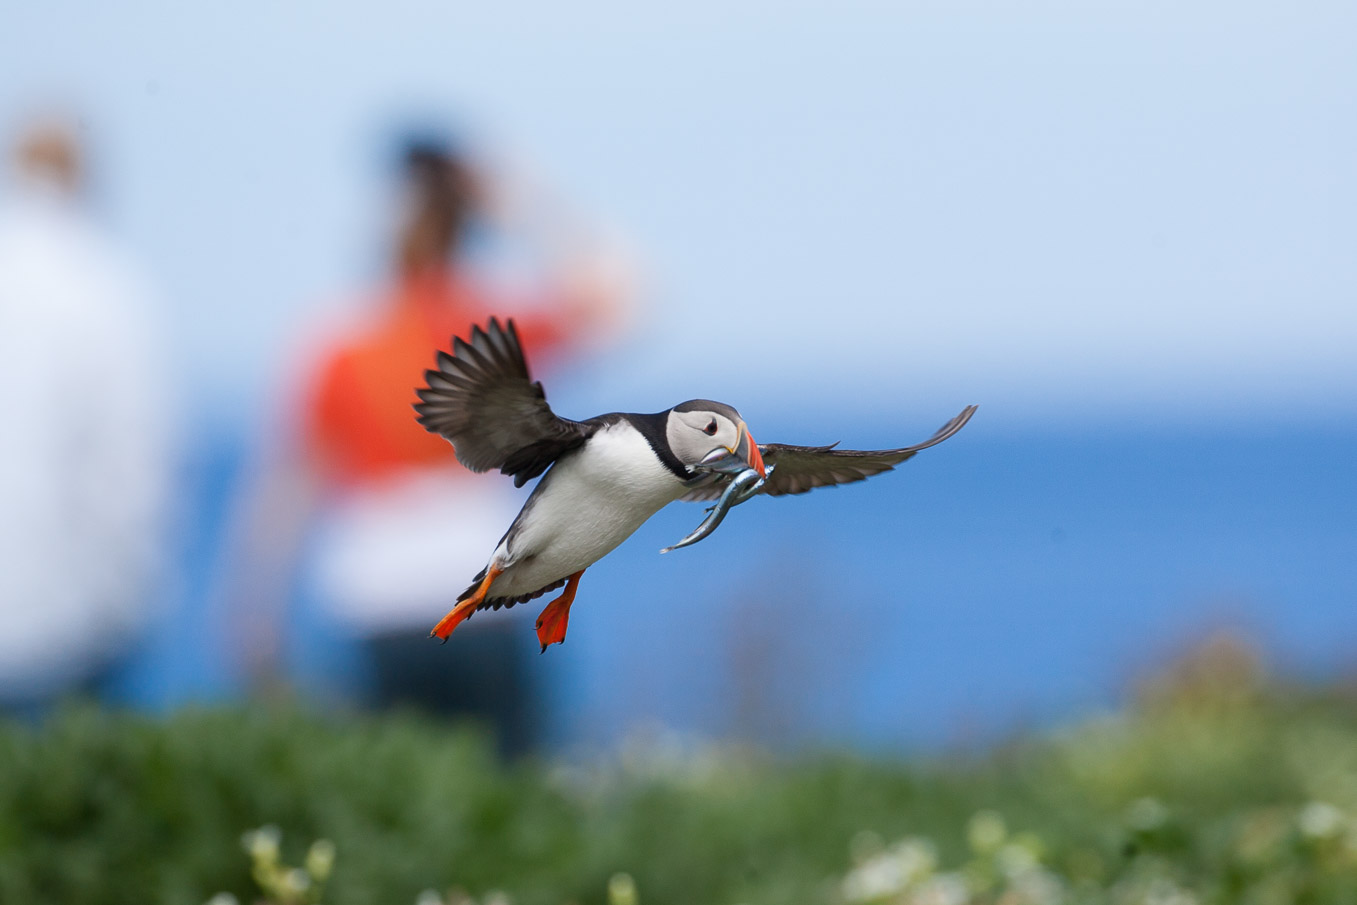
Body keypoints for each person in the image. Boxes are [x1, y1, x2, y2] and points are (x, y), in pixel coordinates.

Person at [227, 133, 632, 750]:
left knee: (398, 802)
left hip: (379, 601)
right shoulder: (485, 329)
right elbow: (614, 297)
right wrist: (521, 198)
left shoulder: (340, 346)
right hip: (485, 592)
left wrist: (254, 610)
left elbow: (289, 482)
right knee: (511, 798)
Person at [0, 116, 171, 713]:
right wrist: (128, 601)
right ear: (84, 177)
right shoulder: (107, 286)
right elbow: (130, 471)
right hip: (63, 624)